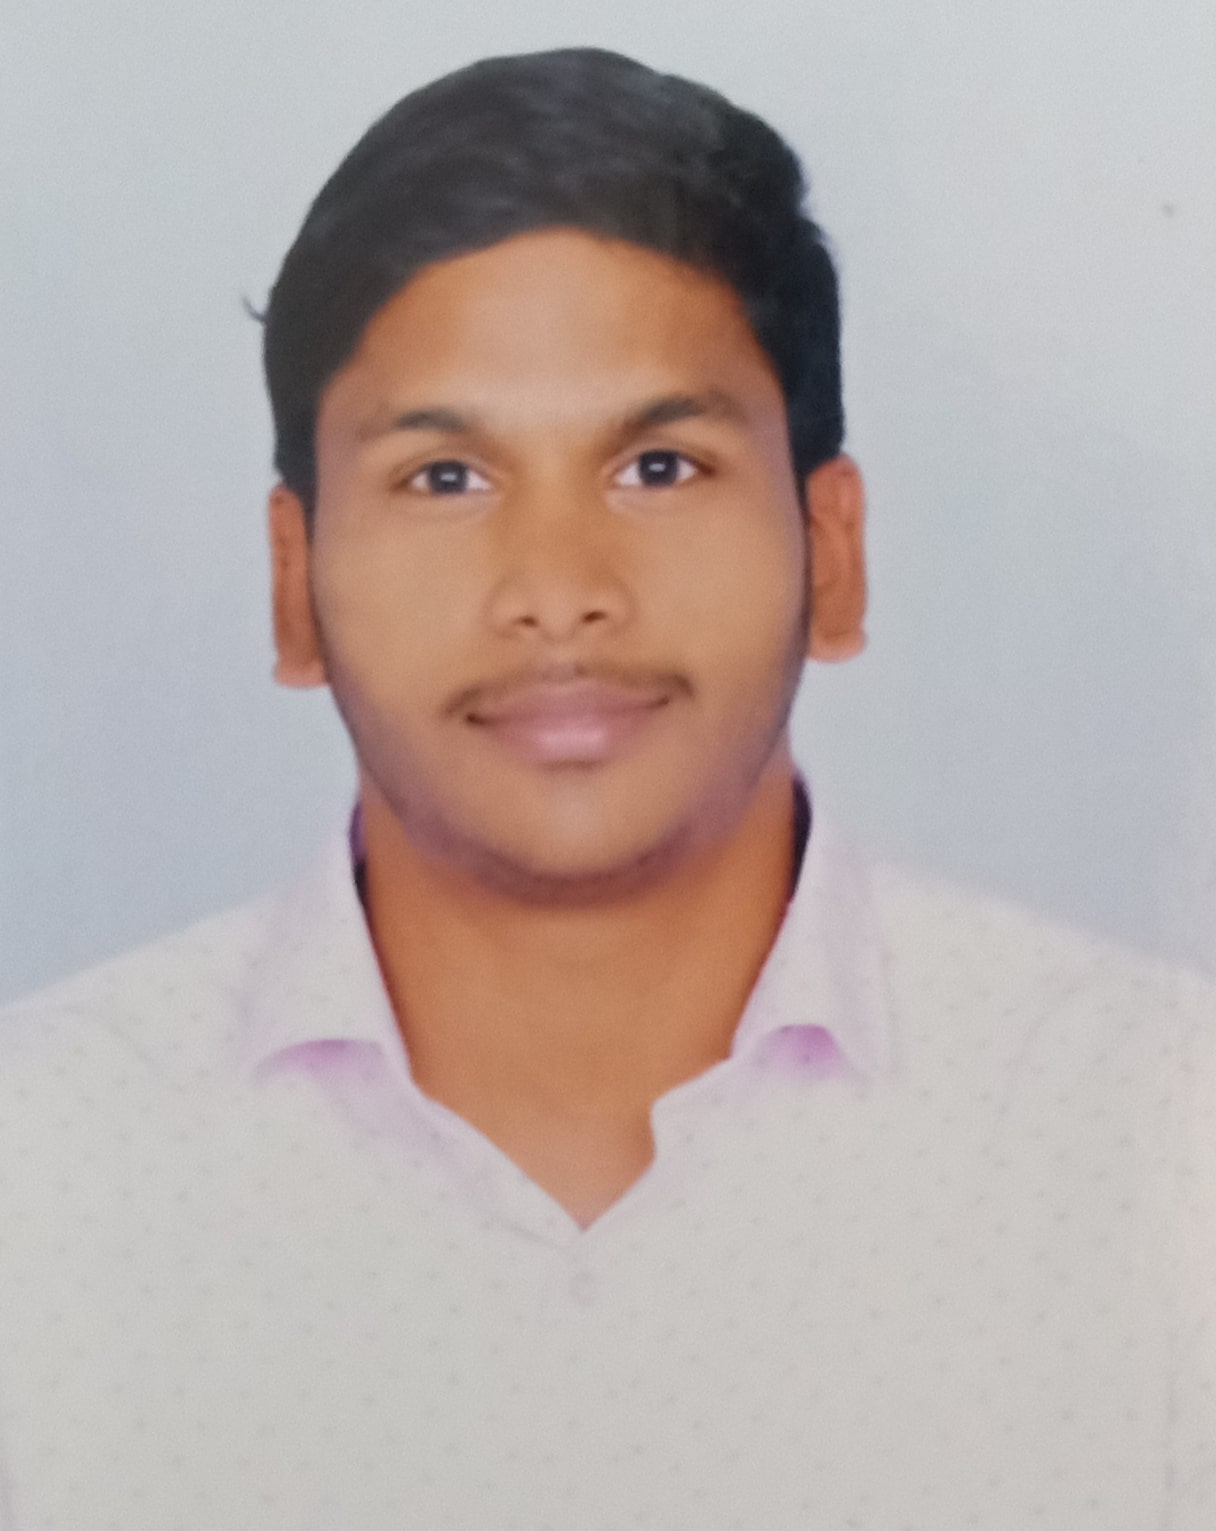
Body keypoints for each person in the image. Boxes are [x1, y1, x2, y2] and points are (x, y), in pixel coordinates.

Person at [0, 47, 1211, 1530]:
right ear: (293, 586)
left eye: (658, 466)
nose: (560, 590)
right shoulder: (41, 1169)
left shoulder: (1161, 1138)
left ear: (833, 553)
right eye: (447, 479)